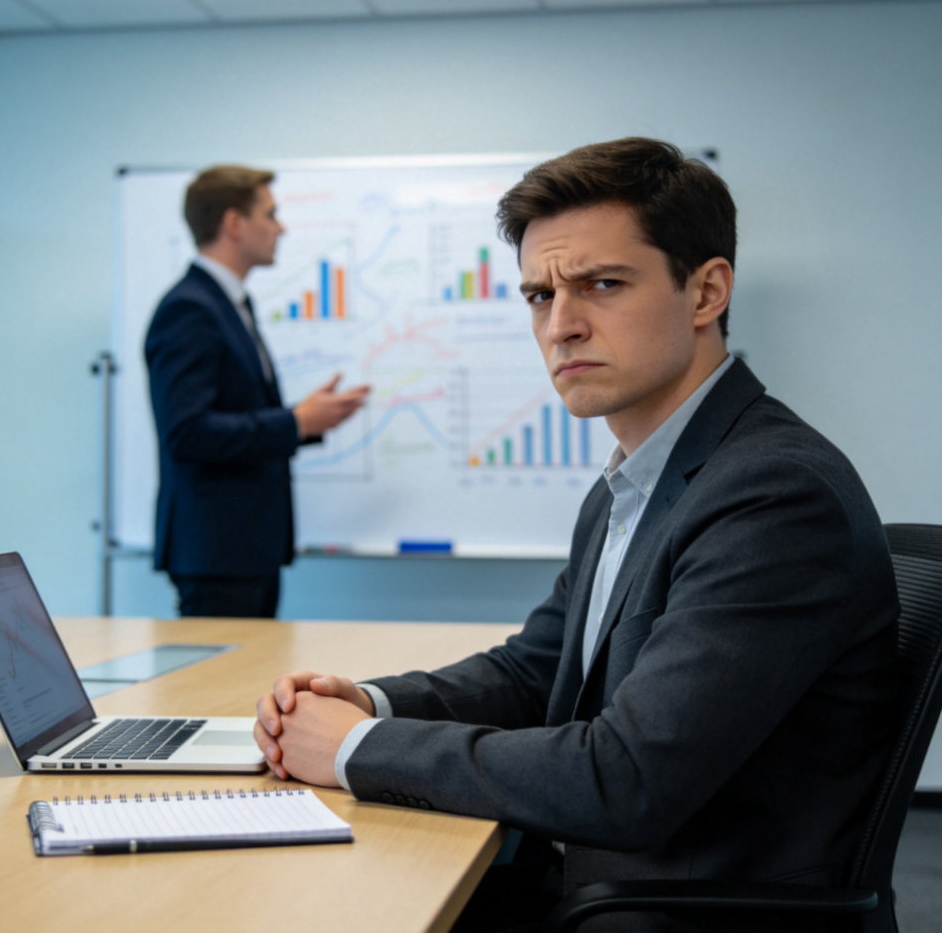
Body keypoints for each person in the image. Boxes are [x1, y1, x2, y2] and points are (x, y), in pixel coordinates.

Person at [254, 138, 899, 929]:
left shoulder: (771, 495)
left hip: (673, 913)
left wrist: (355, 749)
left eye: (602, 284)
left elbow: (625, 780)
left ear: (706, 292)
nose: (561, 327)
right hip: (588, 884)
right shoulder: (635, 481)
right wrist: (370, 702)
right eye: (539, 295)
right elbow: (537, 673)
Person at [145, 165, 370, 618]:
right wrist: (295, 422)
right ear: (234, 223)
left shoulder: (229, 303)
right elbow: (187, 432)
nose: (280, 227)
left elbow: (228, 413)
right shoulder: (190, 308)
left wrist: (308, 420)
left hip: (243, 548)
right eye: (270, 214)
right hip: (216, 551)